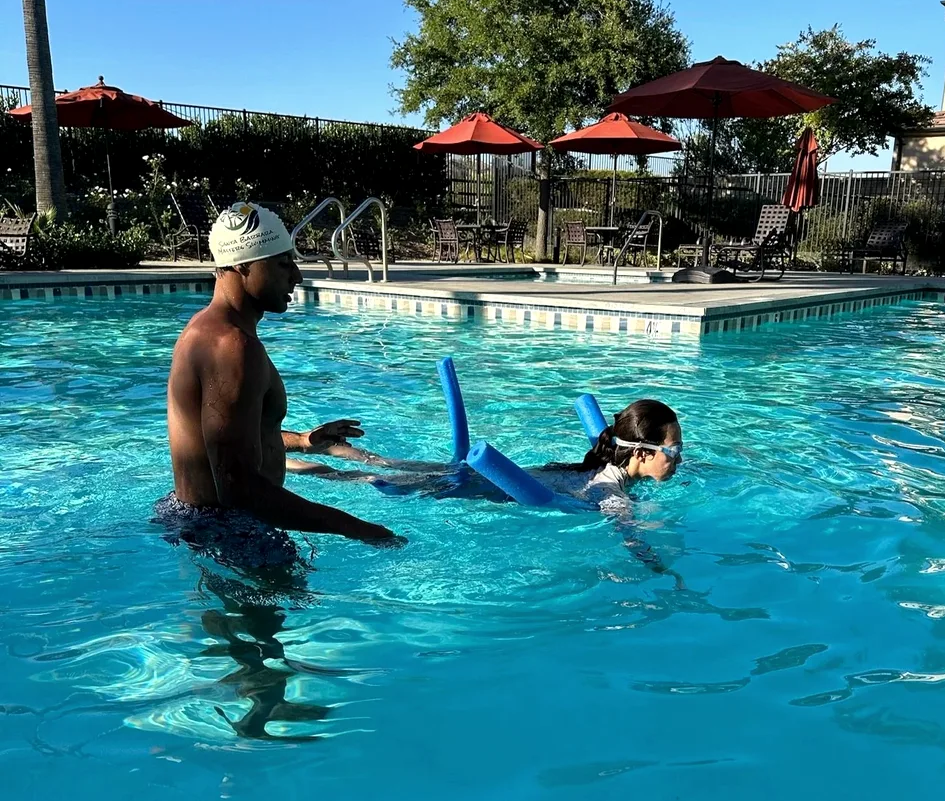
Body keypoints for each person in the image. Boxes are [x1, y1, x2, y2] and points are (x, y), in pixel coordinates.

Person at [157, 201, 405, 566]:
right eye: (283, 263)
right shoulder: (232, 347)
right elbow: (237, 488)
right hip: (231, 530)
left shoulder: (207, 330)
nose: (297, 277)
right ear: (242, 264)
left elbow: (228, 443)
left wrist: (302, 441)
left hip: (202, 520)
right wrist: (357, 528)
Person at [291, 399, 682, 515]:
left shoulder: (597, 464)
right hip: (476, 485)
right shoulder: (610, 490)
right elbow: (628, 532)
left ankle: (327, 446)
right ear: (644, 454)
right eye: (674, 450)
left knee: (382, 464)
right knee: (364, 481)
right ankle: (292, 461)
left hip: (482, 474)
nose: (679, 458)